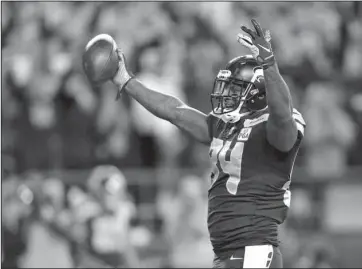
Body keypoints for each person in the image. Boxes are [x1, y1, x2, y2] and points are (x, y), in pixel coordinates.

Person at [111, 19, 306, 268]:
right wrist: (127, 82)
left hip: (253, 249)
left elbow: (282, 115)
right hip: (228, 252)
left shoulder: (274, 126)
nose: (226, 95)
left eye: (235, 89)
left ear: (257, 92)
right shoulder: (224, 125)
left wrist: (269, 65)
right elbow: (175, 111)